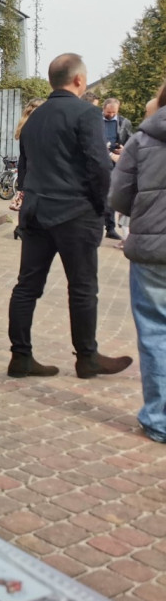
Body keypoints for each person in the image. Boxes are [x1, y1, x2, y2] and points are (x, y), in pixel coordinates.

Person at [7, 53, 132, 379]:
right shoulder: (86, 114)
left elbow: (25, 167)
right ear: (79, 80)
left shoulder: (34, 118)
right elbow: (98, 166)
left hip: (34, 211)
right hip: (74, 213)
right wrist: (98, 207)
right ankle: (86, 357)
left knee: (26, 286)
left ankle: (20, 357)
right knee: (82, 287)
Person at [109, 83, 166, 444]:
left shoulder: (142, 139)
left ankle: (159, 417)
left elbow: (118, 195)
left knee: (155, 332)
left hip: (151, 249)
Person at [102, 97, 134, 240]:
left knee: (111, 195)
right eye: (108, 112)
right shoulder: (95, 120)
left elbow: (131, 142)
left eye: (113, 112)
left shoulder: (124, 122)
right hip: (98, 162)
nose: (111, 115)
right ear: (103, 109)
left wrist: (124, 149)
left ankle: (110, 227)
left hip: (115, 164)